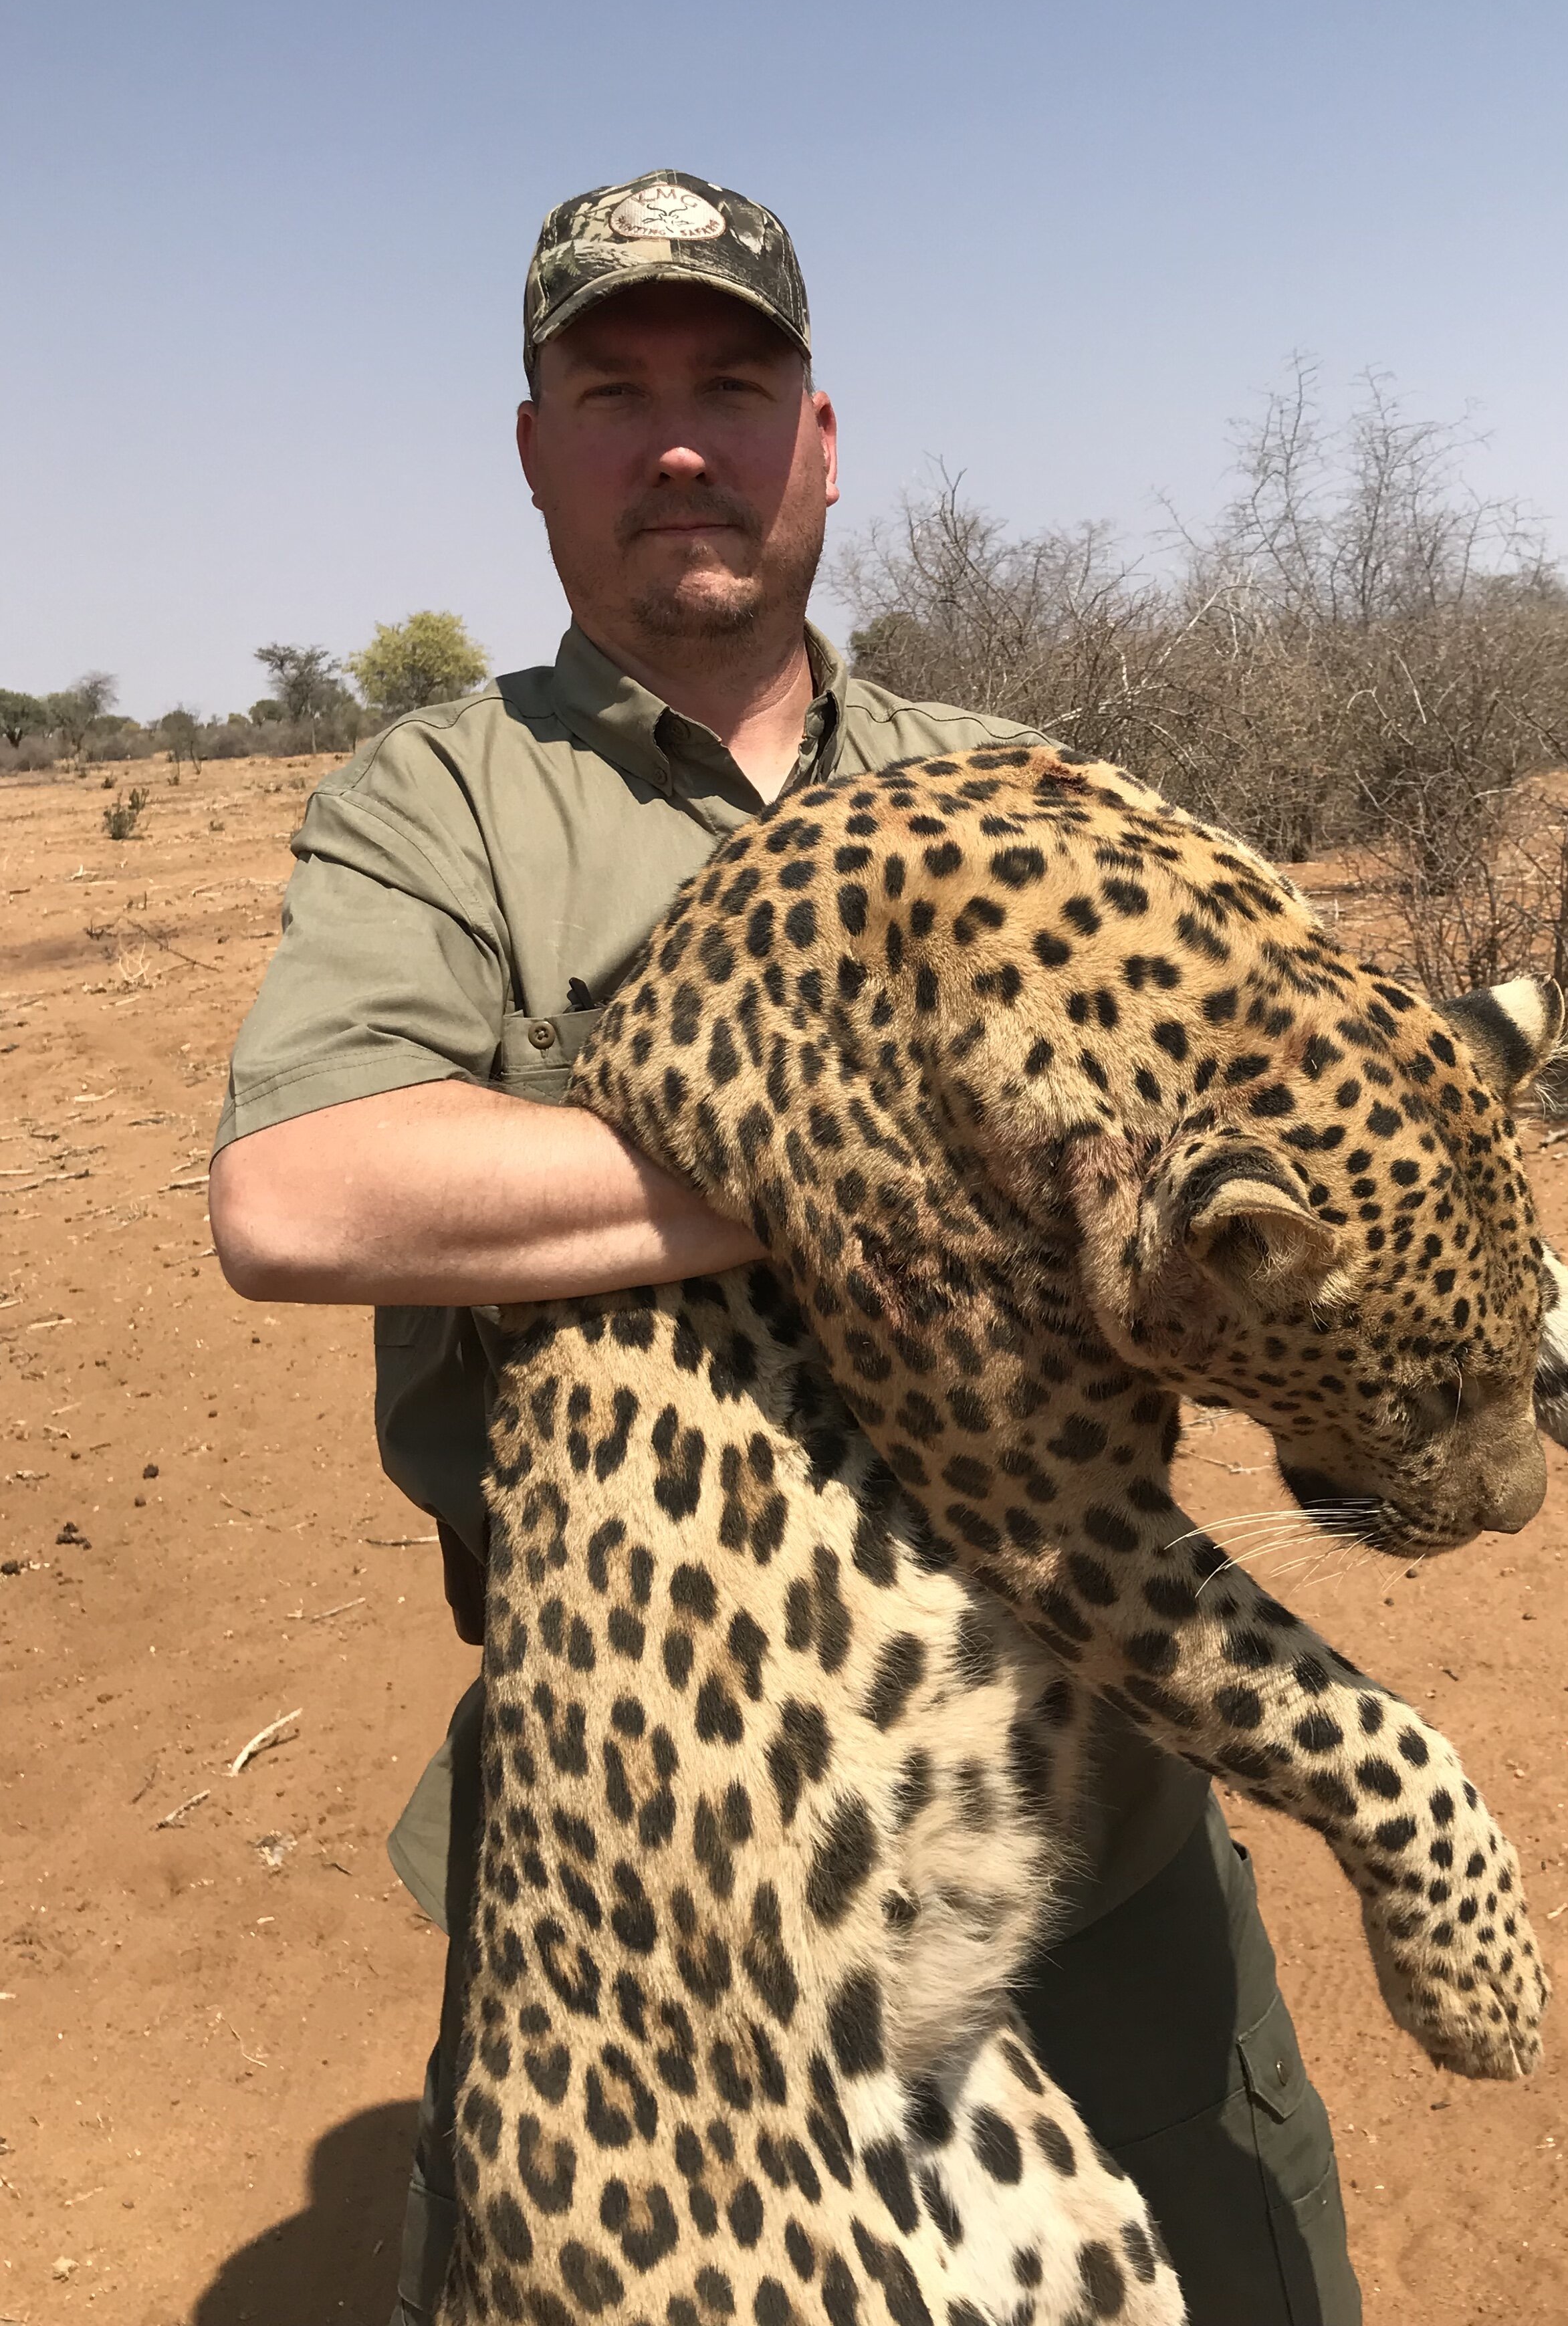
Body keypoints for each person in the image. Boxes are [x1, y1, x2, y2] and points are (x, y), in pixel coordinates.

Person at [208, 168, 1359, 2326]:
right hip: (654, 1859)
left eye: (732, 385)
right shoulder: (437, 803)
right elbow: (299, 1191)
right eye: (612, 389)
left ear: (816, 441)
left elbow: (1263, 1160)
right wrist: (862, 1159)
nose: (677, 440)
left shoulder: (1009, 784)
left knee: (1238, 2277)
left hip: (1076, 1782)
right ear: (535, 446)